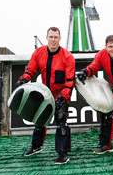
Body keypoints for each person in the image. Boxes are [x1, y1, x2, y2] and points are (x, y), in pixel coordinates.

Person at [15, 27, 75, 164]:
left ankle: (63, 153)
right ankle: (36, 147)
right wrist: (23, 79)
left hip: (61, 93)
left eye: (56, 37)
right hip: (45, 92)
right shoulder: (38, 53)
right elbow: (30, 70)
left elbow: (70, 81)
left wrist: (63, 96)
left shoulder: (68, 57)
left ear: (60, 38)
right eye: (51, 37)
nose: (53, 40)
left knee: (61, 119)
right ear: (47, 37)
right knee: (39, 119)